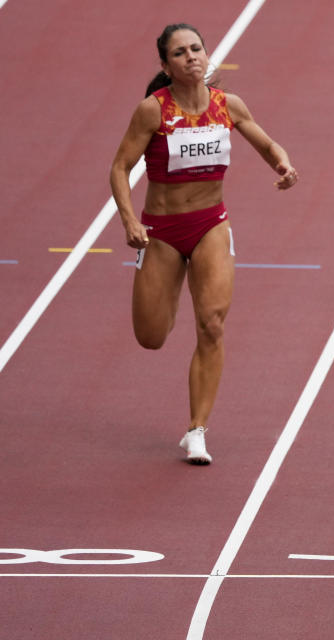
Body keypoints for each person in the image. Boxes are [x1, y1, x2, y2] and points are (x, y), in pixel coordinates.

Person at [109, 23, 298, 464]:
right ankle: (165, 284)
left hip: (211, 224)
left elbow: (265, 141)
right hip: (161, 231)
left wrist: (282, 164)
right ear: (166, 65)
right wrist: (129, 221)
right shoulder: (152, 111)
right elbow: (120, 167)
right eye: (180, 52)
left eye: (197, 49)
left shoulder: (227, 105)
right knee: (152, 336)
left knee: (212, 324)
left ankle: (197, 430)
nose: (191, 57)